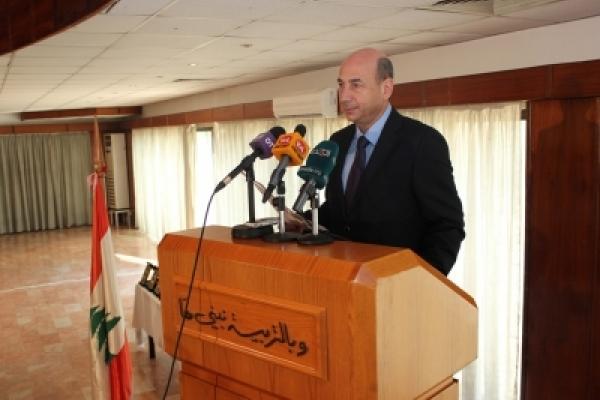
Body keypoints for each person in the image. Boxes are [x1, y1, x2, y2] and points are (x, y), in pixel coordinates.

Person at [315, 48, 465, 275]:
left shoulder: (422, 142)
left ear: (386, 88)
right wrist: (303, 222)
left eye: (356, 84)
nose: (344, 96)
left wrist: (421, 280)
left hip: (398, 284)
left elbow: (447, 225)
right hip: (344, 279)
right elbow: (341, 212)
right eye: (341, 85)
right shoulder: (338, 142)